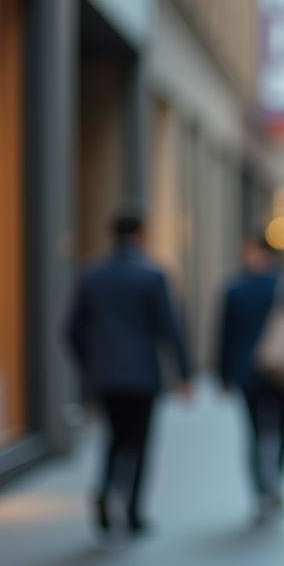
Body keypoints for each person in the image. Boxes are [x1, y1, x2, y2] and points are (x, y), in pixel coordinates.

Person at [66, 209, 191, 537]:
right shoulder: (152, 275)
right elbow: (170, 328)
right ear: (141, 234)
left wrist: (91, 362)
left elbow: (72, 330)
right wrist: (183, 374)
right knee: (140, 442)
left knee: (114, 437)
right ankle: (133, 512)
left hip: (104, 374)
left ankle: (106, 491)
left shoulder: (91, 274)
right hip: (142, 375)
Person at [218, 233, 284, 520]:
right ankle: (276, 484)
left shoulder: (236, 288)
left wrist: (223, 375)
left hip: (246, 371)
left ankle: (261, 492)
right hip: (281, 368)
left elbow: (225, 335)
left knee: (254, 432)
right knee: (282, 427)